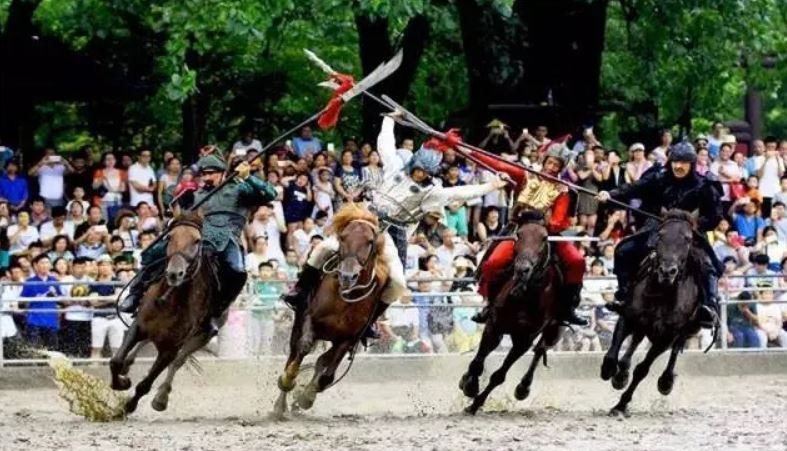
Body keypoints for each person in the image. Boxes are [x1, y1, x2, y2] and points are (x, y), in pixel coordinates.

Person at [283, 113, 507, 334]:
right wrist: (390, 119)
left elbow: (459, 192)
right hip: (365, 220)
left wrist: (492, 185)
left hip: (391, 232)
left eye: (424, 173)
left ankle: (372, 318)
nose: (419, 175)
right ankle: (300, 289)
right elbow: (385, 145)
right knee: (324, 247)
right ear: (414, 164)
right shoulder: (394, 168)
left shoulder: (431, 192)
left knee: (399, 283)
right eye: (417, 170)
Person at [118, 152, 277, 335]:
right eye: (204, 174)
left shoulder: (239, 189)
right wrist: (176, 192)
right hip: (197, 236)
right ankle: (134, 295)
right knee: (155, 252)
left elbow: (270, 194)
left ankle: (216, 311)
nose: (207, 177)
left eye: (212, 173)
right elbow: (172, 200)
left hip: (228, 237)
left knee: (237, 270)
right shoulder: (196, 193)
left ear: (223, 173)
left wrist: (248, 177)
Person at [597, 142, 724, 327]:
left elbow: (715, 217)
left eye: (683, 162)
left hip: (690, 235)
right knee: (624, 250)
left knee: (709, 265)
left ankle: (709, 307)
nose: (678, 166)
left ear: (692, 164)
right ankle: (624, 295)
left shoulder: (704, 185)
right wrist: (610, 194)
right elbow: (634, 188)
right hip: (657, 228)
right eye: (675, 161)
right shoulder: (658, 177)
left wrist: (694, 224)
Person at [472, 142, 589, 326]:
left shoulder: (562, 189)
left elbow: (558, 221)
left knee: (576, 261)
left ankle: (568, 307)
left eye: (556, 165)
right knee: (493, 263)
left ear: (561, 168)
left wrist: (543, 220)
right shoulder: (527, 175)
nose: (551, 168)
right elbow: (501, 164)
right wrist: (472, 152)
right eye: (549, 163)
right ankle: (489, 304)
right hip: (518, 229)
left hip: (546, 233)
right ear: (544, 161)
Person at [19, 254, 63, 349]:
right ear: (35, 265)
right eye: (42, 263)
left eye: (47, 262)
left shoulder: (54, 281)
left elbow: (61, 299)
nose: (45, 265)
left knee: (52, 350)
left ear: (50, 265)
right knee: (34, 350)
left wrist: (56, 295)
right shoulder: (30, 282)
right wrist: (35, 297)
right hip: (34, 321)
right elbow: (21, 301)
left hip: (51, 321)